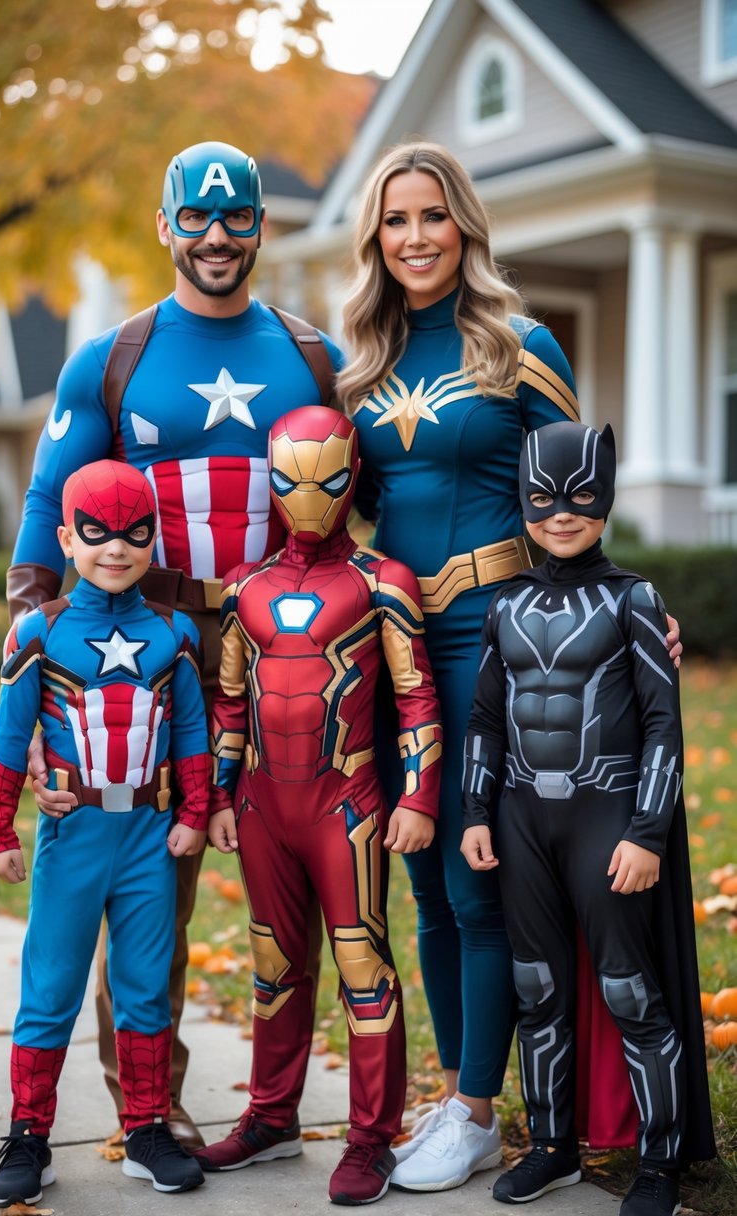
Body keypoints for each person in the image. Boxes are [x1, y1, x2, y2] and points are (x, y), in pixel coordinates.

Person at [336, 141, 681, 1192]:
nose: (415, 238)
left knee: (472, 879)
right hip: (394, 653)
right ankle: (461, 1099)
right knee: (420, 882)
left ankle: (480, 1105)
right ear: (374, 238)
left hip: (500, 647)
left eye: (432, 216)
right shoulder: (358, 362)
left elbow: (574, 497)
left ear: (465, 225)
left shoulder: (518, 344)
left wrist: (638, 613)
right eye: (394, 221)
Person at [6, 140, 343, 1148]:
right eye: (192, 218)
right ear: (164, 227)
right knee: (158, 878)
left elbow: (360, 507)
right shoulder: (109, 359)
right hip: (145, 644)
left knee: (300, 870)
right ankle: (147, 1103)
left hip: (284, 642)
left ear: (260, 227)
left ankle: (279, 1099)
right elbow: (41, 514)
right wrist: (28, 667)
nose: (214, 236)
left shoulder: (313, 356)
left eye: (234, 217)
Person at [460, 420, 715, 1213]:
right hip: (520, 821)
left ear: (604, 499)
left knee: (628, 989)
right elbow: (486, 720)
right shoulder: (504, 606)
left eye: (579, 497)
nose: (560, 514)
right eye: (541, 499)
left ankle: (660, 1163)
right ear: (522, 505)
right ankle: (550, 1145)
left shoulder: (634, 598)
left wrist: (646, 833)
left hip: (606, 820)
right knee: (537, 987)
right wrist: (474, 812)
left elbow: (661, 725)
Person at [194, 406, 443, 1205]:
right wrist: (222, 797)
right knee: (272, 967)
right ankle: (271, 1119)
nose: (307, 497)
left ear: (352, 480)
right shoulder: (244, 588)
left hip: (349, 804)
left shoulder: (382, 581)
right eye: (288, 480)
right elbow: (229, 702)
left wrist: (420, 797)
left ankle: (371, 1138)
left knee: (362, 968)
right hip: (265, 807)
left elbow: (416, 699)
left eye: (328, 481)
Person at [0, 460, 211, 1206]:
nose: (116, 547)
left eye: (133, 533)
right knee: (49, 990)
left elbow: (190, 737)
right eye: (97, 532)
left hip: (148, 835)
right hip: (73, 833)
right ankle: (28, 1135)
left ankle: (145, 1129)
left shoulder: (174, 631)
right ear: (65, 539)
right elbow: (10, 736)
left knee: (144, 990)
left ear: (154, 540)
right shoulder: (39, 630)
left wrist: (194, 815)